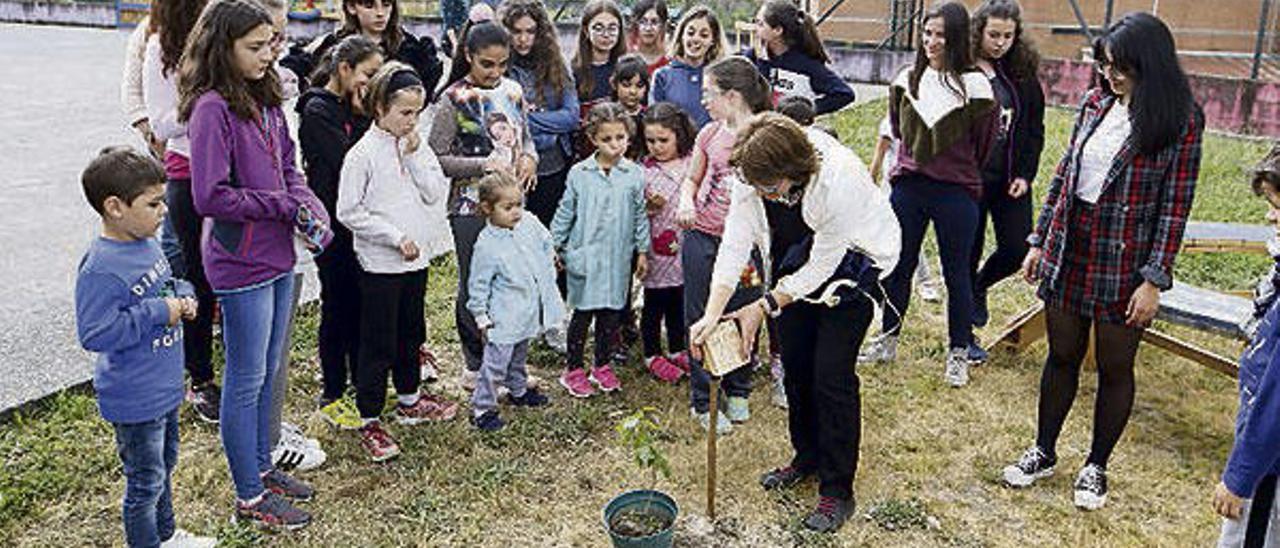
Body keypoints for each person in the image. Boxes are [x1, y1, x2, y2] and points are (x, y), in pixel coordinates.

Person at [1000, 12, 1203, 511]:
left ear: (1149, 66)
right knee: (1061, 355)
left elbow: (1176, 208)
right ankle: (1043, 451)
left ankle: (1095, 466)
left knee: (1115, 366)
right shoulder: (1095, 103)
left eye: (1121, 68)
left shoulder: (1180, 120)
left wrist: (1154, 279)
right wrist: (1039, 239)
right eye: (1105, 65)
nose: (1110, 77)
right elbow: (1065, 175)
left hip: (1126, 260)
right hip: (1072, 246)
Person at [689, 113, 900, 534]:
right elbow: (735, 243)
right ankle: (806, 457)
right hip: (795, 261)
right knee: (798, 368)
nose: (762, 195)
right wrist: (712, 314)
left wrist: (763, 305)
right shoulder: (754, 172)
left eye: (770, 189)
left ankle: (837, 488)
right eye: (757, 187)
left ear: (793, 173)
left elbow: (825, 263)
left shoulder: (839, 179)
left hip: (854, 264)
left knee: (831, 377)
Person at [180, 0, 331, 528]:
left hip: (278, 252)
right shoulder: (211, 109)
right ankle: (249, 496)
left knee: (268, 372)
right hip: (239, 258)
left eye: (271, 44)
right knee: (245, 379)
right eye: (255, 47)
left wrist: (306, 205)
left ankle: (263, 467)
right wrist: (282, 206)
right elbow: (210, 196)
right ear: (223, 48)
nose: (269, 54)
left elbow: (287, 167)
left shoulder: (266, 98)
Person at [75, 147, 217, 548]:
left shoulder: (148, 244)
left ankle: (167, 534)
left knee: (165, 466)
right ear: (115, 207)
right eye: (154, 203)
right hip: (134, 396)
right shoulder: (102, 266)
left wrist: (183, 296)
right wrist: (159, 312)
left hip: (164, 387)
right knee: (145, 482)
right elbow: (96, 333)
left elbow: (169, 285)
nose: (165, 211)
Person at [859, 2, 998, 388]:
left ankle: (958, 352)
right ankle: (887, 339)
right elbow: (900, 133)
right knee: (897, 267)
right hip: (909, 187)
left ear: (957, 39)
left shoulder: (977, 87)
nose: (932, 42)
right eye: (927, 33)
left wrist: (957, 171)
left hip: (957, 193)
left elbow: (985, 146)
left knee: (957, 275)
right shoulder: (906, 79)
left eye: (941, 35)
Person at [338, 62, 460, 461]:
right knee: (378, 340)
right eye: (405, 113)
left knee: (412, 330)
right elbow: (348, 211)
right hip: (380, 264)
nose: (412, 121)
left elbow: (432, 192)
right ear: (379, 108)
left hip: (416, 261)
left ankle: (410, 400)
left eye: (417, 113)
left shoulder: (415, 145)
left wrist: (414, 155)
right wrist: (393, 237)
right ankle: (370, 417)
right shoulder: (362, 155)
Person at [429, 21, 539, 391]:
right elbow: (437, 157)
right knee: (477, 283)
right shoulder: (453, 99)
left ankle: (506, 360)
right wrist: (482, 165)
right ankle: (475, 361)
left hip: (510, 206)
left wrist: (529, 158)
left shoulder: (513, 90)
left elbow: (525, 137)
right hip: (469, 207)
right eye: (486, 64)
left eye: (502, 64)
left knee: (509, 281)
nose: (495, 73)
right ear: (468, 57)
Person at [677, 56, 771, 434]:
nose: (703, 102)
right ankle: (704, 400)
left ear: (732, 96)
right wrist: (686, 201)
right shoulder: (708, 135)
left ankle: (739, 388)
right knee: (701, 314)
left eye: (708, 94)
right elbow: (691, 180)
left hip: (748, 245)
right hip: (703, 237)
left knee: (744, 311)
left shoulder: (764, 134)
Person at [297, 35, 384, 428]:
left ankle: (359, 380)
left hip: (362, 222)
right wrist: (366, 114)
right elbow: (353, 161)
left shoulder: (356, 107)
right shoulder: (317, 110)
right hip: (332, 226)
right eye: (368, 74)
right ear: (344, 69)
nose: (372, 82)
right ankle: (333, 391)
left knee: (363, 304)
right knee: (338, 306)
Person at [141, 0, 220, 424]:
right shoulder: (160, 46)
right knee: (197, 276)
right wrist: (211, 105)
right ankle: (201, 378)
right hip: (189, 170)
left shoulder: (227, 33)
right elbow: (161, 122)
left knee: (237, 272)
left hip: (234, 166)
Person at [551, 102, 650, 398]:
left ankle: (602, 365)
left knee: (610, 315)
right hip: (585, 255)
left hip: (618, 257)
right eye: (607, 139)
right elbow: (566, 211)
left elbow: (639, 214)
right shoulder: (580, 174)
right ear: (594, 139)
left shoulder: (633, 174)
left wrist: (643, 250)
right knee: (583, 315)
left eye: (620, 138)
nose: (615, 145)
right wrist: (554, 245)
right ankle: (573, 369)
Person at [1213, 146, 1280, 547]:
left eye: (1277, 204)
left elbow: (1276, 396)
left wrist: (1242, 475)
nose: (1271, 215)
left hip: (1269, 470)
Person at [968, 0, 1045, 328]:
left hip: (1009, 179)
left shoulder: (1022, 74)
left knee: (1016, 248)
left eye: (1008, 36)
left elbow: (1034, 130)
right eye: (994, 35)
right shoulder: (963, 67)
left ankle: (979, 286)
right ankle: (964, 322)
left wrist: (1026, 175)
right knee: (967, 251)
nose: (1000, 43)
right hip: (968, 180)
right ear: (978, 32)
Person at [467, 172, 565, 431]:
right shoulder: (486, 245)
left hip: (527, 310)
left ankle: (518, 390)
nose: (516, 212)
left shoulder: (529, 223)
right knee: (496, 364)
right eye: (507, 207)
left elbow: (545, 240)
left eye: (519, 205)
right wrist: (481, 317)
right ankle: (483, 407)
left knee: (519, 355)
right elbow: (477, 285)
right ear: (488, 208)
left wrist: (550, 257)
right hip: (503, 317)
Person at [500, 0, 580, 228]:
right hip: (512, 166)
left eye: (530, 31)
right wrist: (544, 123)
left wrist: (527, 118)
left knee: (546, 233)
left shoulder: (556, 64)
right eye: (516, 31)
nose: (523, 39)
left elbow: (571, 116)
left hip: (552, 166)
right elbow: (501, 121)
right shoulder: (500, 67)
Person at [639, 102, 696, 383]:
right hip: (656, 252)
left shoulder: (691, 164)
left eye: (663, 140)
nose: (657, 146)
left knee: (679, 302)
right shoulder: (644, 172)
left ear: (679, 136)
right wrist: (647, 207)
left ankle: (676, 349)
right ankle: (651, 354)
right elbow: (635, 210)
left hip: (684, 249)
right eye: (650, 141)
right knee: (654, 303)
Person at [278, 0, 441, 97]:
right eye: (369, 5)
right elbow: (302, 66)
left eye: (386, 5)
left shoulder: (410, 48)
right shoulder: (336, 44)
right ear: (351, 7)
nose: (380, 13)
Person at [866, 113, 943, 305]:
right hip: (891, 190)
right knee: (897, 237)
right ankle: (889, 284)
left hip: (916, 188)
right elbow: (879, 153)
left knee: (905, 237)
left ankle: (923, 282)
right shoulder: (892, 119)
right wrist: (869, 184)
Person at [747, 0, 854, 115]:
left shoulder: (805, 64)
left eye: (760, 24)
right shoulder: (752, 56)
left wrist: (807, 109)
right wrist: (763, 62)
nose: (754, 28)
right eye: (755, 22)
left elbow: (845, 94)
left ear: (778, 30)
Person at [649, 5, 726, 127]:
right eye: (690, 33)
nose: (696, 39)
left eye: (704, 35)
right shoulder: (663, 76)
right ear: (682, 36)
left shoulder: (720, 76)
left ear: (713, 40)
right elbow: (655, 121)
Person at [572, 0, 627, 112]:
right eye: (598, 28)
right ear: (586, 30)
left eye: (612, 28)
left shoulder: (626, 67)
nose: (606, 34)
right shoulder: (573, 71)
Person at [612, 53, 650, 161]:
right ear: (615, 84)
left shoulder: (649, 117)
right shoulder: (607, 115)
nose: (633, 91)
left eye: (639, 86)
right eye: (626, 85)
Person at [627, 0, 670, 74]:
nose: (648, 28)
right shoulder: (625, 54)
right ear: (635, 24)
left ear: (663, 25)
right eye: (643, 22)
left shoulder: (671, 59)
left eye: (654, 22)